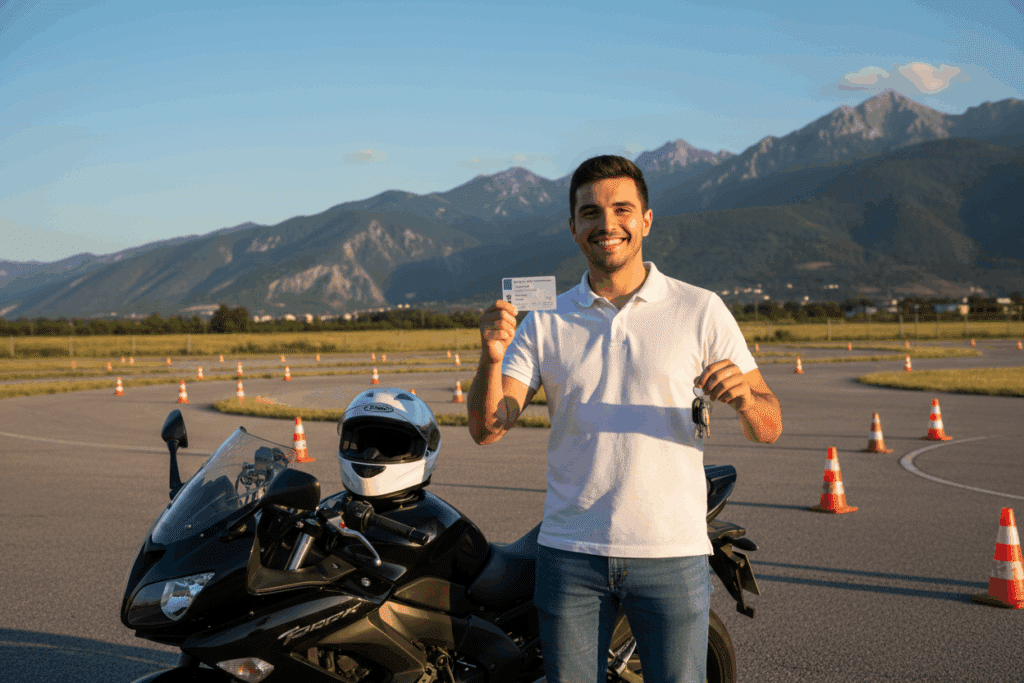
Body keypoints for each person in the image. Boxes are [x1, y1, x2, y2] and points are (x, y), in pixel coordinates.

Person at [467, 154, 782, 683]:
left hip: (671, 553)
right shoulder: (545, 318)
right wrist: (493, 357)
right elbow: (487, 429)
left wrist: (747, 401)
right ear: (573, 228)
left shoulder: (700, 309)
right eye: (590, 213)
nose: (606, 224)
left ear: (647, 220)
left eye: (621, 209)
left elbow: (771, 426)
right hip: (571, 555)